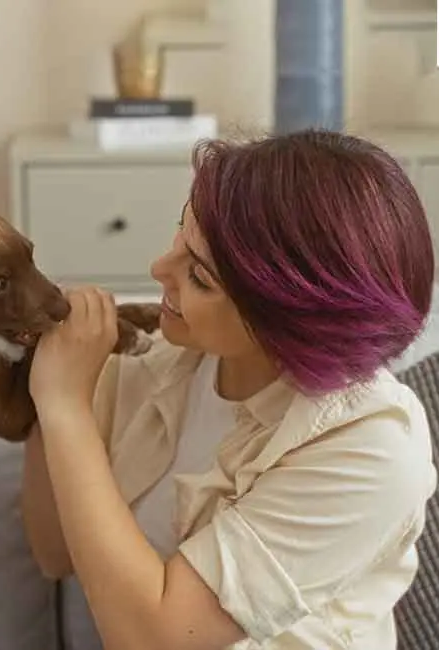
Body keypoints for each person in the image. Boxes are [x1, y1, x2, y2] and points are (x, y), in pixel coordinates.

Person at [23, 129, 437, 650]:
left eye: (198, 276)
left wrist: (65, 407)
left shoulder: (371, 448)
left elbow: (154, 639)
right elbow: (53, 551)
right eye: (181, 233)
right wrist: (41, 391)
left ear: (287, 322)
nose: (157, 270)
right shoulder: (156, 362)